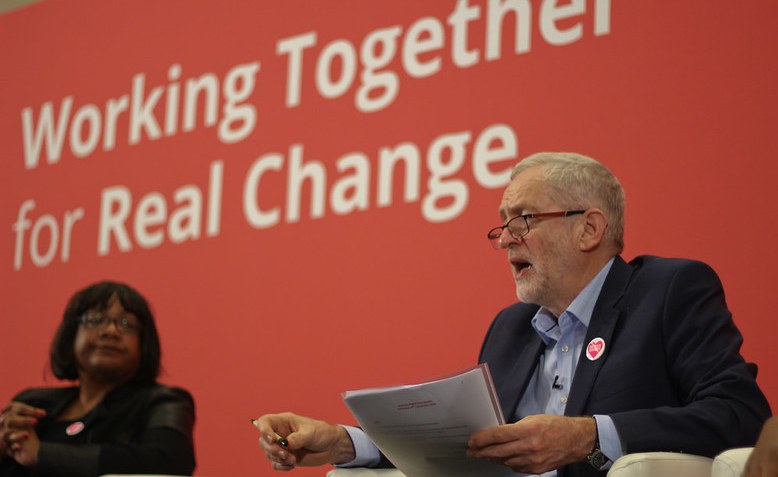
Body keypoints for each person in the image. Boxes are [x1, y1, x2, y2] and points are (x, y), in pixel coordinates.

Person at [255, 152, 772, 477]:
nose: (505, 239)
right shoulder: (510, 328)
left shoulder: (668, 290)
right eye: (501, 226)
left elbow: (740, 416)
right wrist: (342, 441)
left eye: (523, 219)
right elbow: (466, 446)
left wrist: (590, 435)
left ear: (589, 229)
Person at [0, 280, 196, 477]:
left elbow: (169, 463)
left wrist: (42, 454)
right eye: (95, 320)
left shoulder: (163, 402)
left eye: (127, 324)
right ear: (72, 334)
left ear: (144, 342)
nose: (111, 331)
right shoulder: (32, 403)